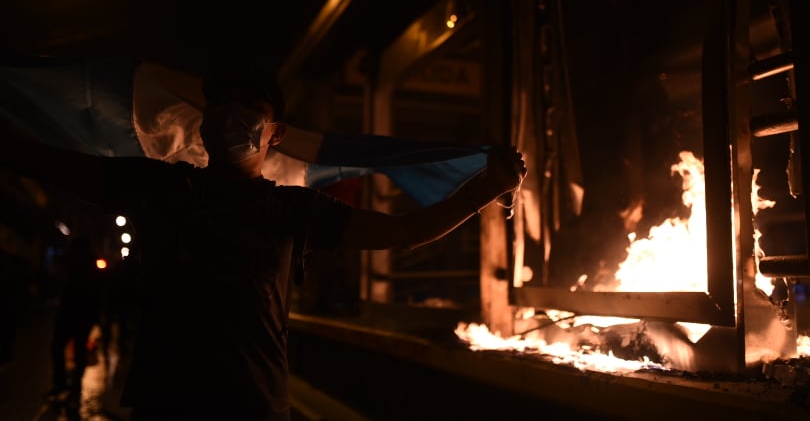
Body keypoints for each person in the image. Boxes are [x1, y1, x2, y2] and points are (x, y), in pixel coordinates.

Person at [0, 69, 526, 421]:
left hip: (252, 405)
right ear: (202, 124)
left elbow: (405, 233)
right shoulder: (160, 186)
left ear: (275, 134)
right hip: (167, 402)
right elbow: (48, 163)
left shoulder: (293, 207)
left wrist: (486, 188)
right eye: (221, 107)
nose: (231, 117)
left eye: (247, 110)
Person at [48, 235, 102, 418]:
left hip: (73, 313)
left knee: (62, 347)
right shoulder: (87, 265)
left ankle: (65, 383)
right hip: (80, 315)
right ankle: (71, 384)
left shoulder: (79, 265)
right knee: (74, 349)